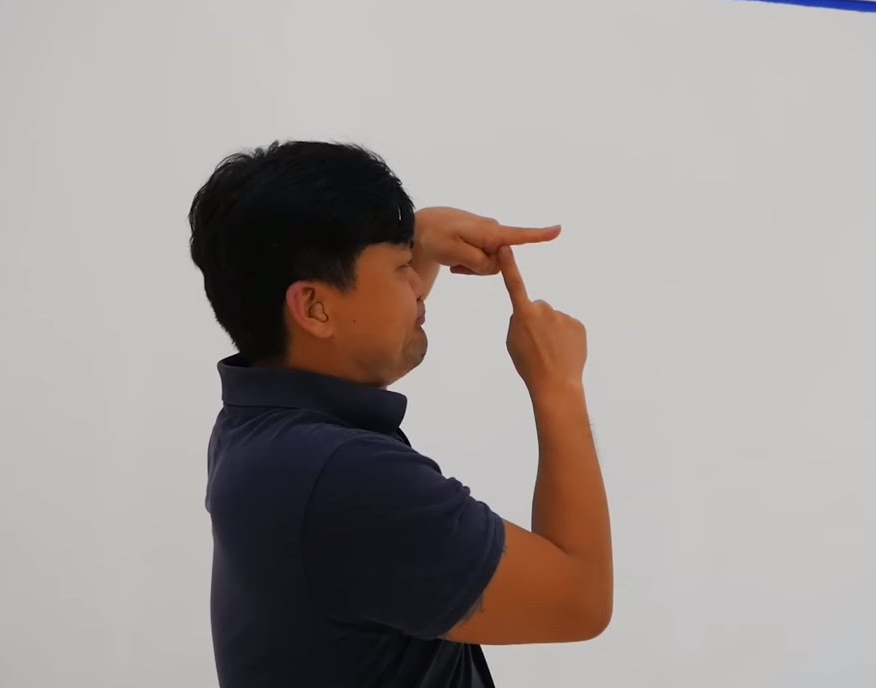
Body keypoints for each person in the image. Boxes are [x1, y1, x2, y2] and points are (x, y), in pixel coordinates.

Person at [187, 140, 612, 688]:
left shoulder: (257, 422)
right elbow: (579, 601)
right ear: (314, 307)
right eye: (400, 268)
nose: (417, 288)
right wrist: (558, 386)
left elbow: (356, 346)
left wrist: (420, 242)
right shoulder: (346, 478)